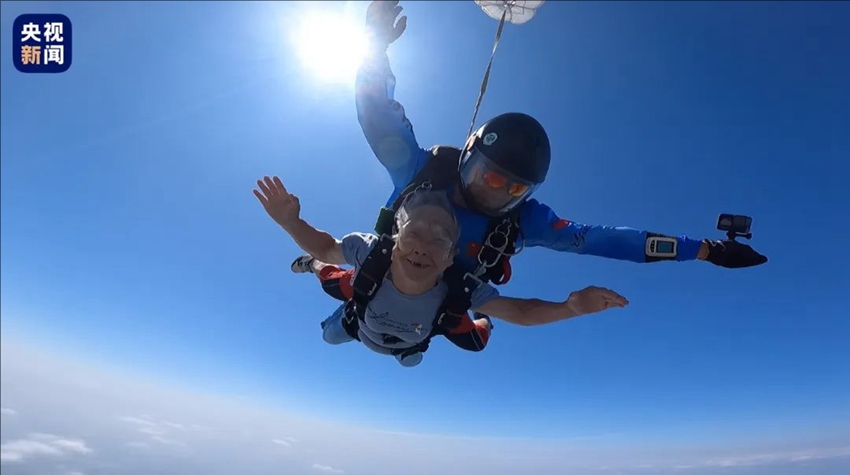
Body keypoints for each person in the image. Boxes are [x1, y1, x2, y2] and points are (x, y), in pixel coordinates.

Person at [295, 0, 767, 291]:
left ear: (526, 194)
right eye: (488, 178)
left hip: (440, 298)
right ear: (467, 156)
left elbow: (605, 240)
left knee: (440, 325)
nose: (493, 195)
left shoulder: (522, 221)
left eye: (510, 191)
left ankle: (329, 268)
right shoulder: (422, 172)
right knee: (350, 296)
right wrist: (374, 47)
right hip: (393, 270)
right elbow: (376, 114)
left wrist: (704, 250)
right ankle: (321, 265)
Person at [254, 175, 629, 367]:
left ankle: (481, 318)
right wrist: (292, 224)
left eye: (439, 240)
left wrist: (570, 307)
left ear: (451, 257)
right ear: (396, 237)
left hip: (412, 338)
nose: (422, 246)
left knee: (475, 341)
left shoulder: (459, 287)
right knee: (331, 303)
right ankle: (311, 271)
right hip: (358, 323)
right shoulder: (371, 253)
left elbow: (520, 312)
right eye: (415, 233)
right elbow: (325, 247)